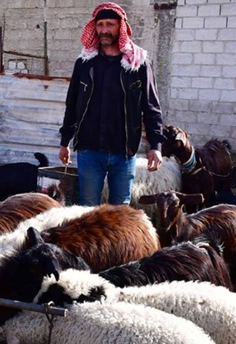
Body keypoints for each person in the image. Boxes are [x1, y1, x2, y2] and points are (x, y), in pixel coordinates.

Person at [58, 2, 165, 206]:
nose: (104, 30)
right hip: (89, 149)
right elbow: (72, 105)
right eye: (100, 25)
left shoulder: (138, 64)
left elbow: (151, 107)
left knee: (120, 212)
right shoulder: (85, 63)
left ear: (121, 27)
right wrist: (65, 142)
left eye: (110, 24)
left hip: (123, 152)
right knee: (87, 208)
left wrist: (156, 146)